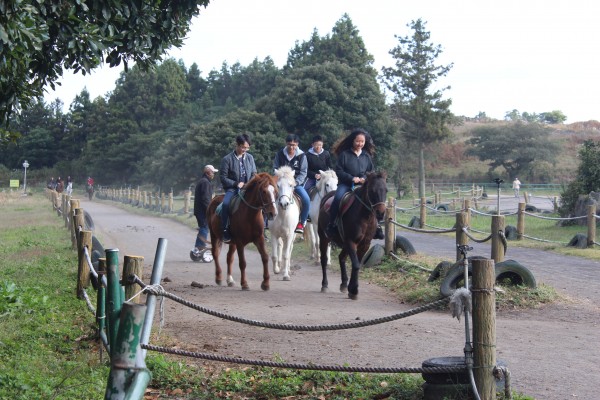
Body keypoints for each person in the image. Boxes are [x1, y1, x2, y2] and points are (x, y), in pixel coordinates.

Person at [325, 128, 384, 240]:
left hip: (363, 185)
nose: (360, 144)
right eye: (357, 141)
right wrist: (352, 178)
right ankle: (332, 225)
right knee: (337, 198)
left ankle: (377, 226)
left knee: (373, 200)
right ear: (352, 141)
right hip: (345, 185)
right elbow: (339, 171)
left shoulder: (366, 156)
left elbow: (371, 171)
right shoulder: (344, 155)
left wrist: (364, 178)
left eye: (362, 142)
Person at [219, 134, 257, 243]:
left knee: (262, 200)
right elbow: (223, 177)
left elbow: (254, 173)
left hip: (248, 188)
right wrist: (236, 184)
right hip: (232, 189)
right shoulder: (227, 159)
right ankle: (225, 229)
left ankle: (261, 228)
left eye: (247, 148)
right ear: (237, 145)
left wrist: (249, 183)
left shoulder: (250, 157)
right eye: (243, 147)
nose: (245, 150)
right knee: (226, 204)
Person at [273, 133, 310, 234]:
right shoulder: (279, 154)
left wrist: (296, 182)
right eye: (289, 144)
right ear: (286, 143)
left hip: (295, 184)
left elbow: (303, 172)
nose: (291, 147)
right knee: (267, 196)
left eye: (294, 145)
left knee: (306, 199)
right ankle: (267, 220)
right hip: (281, 184)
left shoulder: (302, 155)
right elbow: (275, 168)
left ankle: (301, 222)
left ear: (297, 144)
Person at [193, 165, 218, 254]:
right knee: (204, 227)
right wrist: (210, 210)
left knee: (203, 227)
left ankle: (197, 247)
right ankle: (200, 247)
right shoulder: (205, 182)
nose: (213, 174)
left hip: (199, 210)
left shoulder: (203, 181)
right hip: (203, 211)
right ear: (208, 172)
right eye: (213, 172)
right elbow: (205, 199)